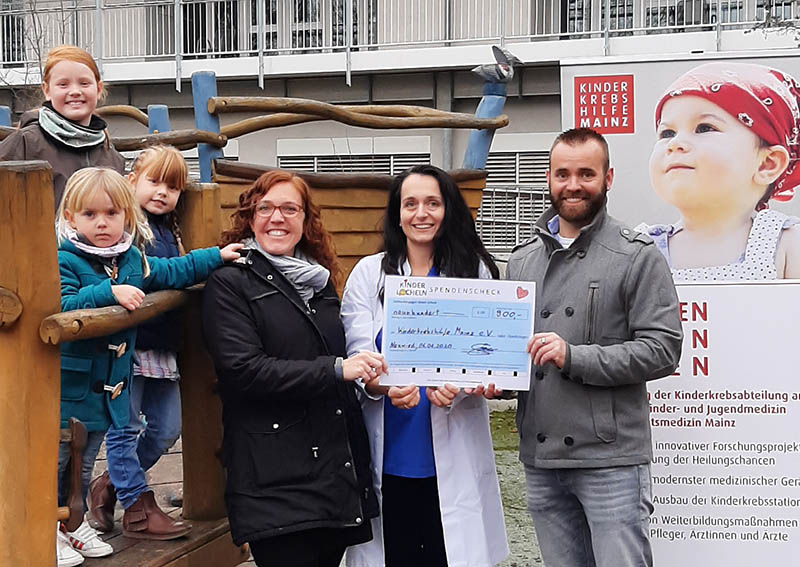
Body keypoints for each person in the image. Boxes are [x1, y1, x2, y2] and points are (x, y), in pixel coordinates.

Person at [506, 129, 683, 567]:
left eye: (586, 173)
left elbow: (663, 348)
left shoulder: (637, 256)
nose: (573, 185)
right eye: (562, 173)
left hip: (611, 460)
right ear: (548, 178)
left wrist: (575, 356)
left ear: (608, 178)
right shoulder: (521, 259)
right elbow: (512, 353)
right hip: (542, 459)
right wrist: (494, 380)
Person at [55, 167, 242, 567]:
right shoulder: (65, 259)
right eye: (90, 215)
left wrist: (215, 256)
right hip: (72, 387)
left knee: (85, 463)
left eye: (111, 213)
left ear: (127, 216)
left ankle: (73, 523)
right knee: (61, 460)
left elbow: (170, 271)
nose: (102, 223)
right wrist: (109, 292)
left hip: (107, 385)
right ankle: (47, 527)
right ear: (71, 217)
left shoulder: (129, 256)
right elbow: (65, 306)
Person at [201, 170, 384, 567]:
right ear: (250, 219)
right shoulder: (230, 283)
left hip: (334, 471)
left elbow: (347, 355)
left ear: (305, 221)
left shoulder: (320, 282)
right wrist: (336, 370)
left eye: (289, 208)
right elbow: (243, 370)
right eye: (264, 208)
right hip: (274, 477)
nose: (277, 218)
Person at [341, 164, 509, 567]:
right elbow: (358, 349)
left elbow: (488, 351)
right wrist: (381, 385)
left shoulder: (474, 272)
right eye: (410, 203)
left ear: (447, 209)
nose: (422, 213)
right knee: (393, 554)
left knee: (445, 554)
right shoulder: (369, 274)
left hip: (452, 445)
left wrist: (461, 385)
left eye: (433, 203)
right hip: (390, 450)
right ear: (397, 214)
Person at [88, 146, 196, 539]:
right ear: (131, 181)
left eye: (173, 186)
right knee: (125, 427)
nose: (162, 192)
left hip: (163, 346)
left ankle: (108, 486)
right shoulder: (127, 226)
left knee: (167, 428)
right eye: (154, 181)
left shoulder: (173, 229)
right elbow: (147, 274)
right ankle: (137, 505)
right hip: (128, 348)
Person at [638, 62, 800, 280]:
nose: (676, 143)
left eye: (704, 128)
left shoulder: (786, 243)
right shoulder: (641, 249)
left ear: (767, 164)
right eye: (667, 133)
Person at [0, 45, 125, 211]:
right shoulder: (26, 142)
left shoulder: (111, 155)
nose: (75, 91)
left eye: (84, 83)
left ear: (98, 89)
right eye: (63, 84)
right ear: (47, 90)